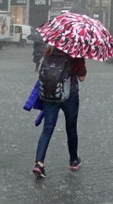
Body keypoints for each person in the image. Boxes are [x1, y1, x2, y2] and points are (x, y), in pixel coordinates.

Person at [32, 47, 87, 178]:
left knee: (47, 129)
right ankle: (73, 160)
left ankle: (39, 163)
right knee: (71, 128)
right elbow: (82, 78)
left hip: (50, 93)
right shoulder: (76, 53)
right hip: (70, 93)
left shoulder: (49, 51)